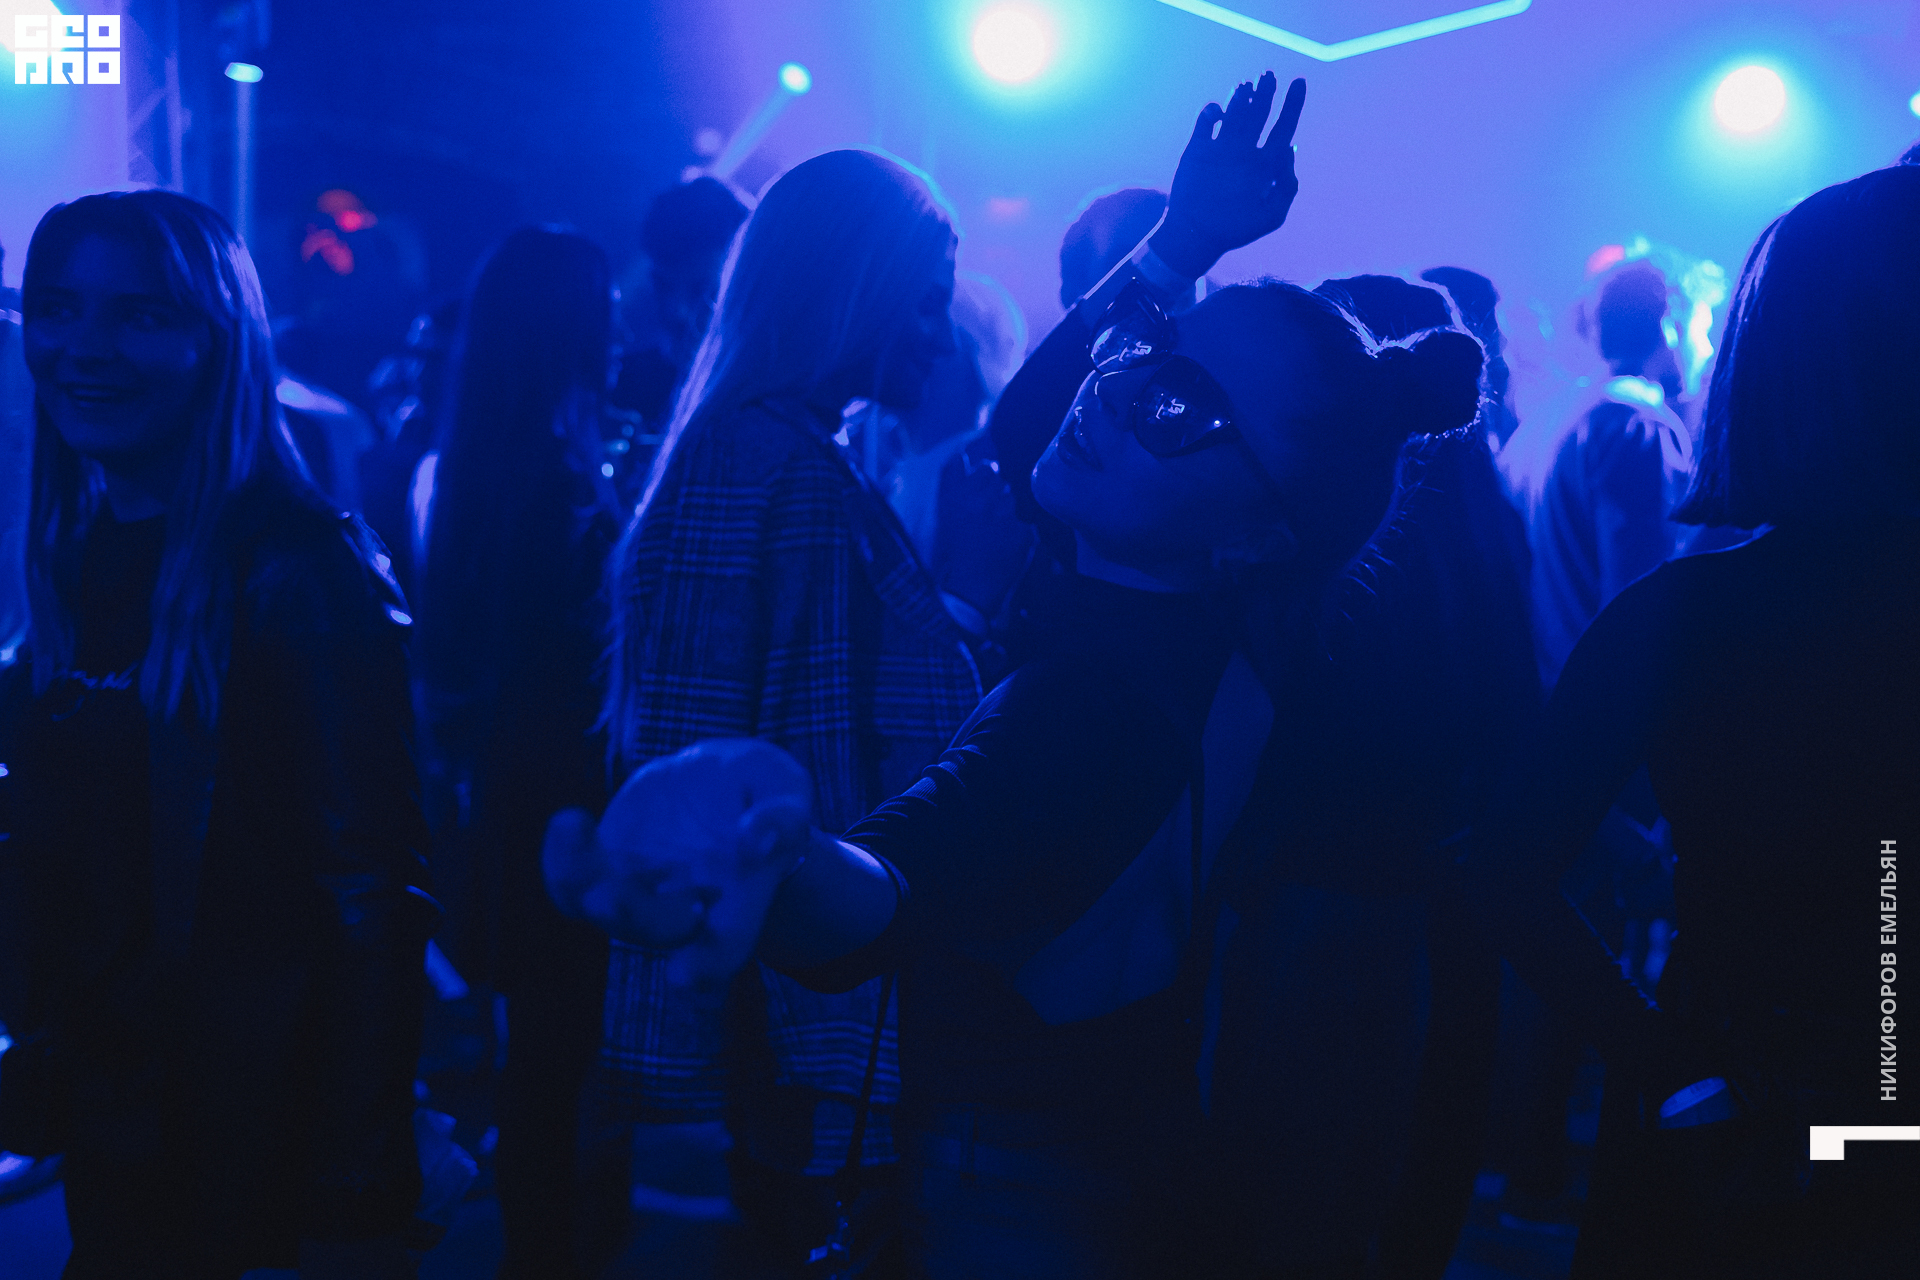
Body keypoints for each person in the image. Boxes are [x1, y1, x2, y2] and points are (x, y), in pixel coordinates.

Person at [555, 74, 1510, 1276]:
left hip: (1011, 1192)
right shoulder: (1213, 632)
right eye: (1144, 348)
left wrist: (778, 850)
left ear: (1257, 532)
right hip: (1111, 1148)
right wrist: (1178, 247)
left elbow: (897, 883)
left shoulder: (1095, 694)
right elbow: (1029, 435)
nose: (1120, 388)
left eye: (1179, 406)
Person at [1468, 164, 1920, 1278]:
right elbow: (1503, 870)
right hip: (1792, 1121)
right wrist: (1675, 1070)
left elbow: (1506, 869)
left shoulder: (1686, 610)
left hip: (1756, 1112)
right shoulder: (1690, 609)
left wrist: (1673, 1070)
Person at [0, 190, 432, 1277]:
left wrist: (358, 1188)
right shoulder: (71, 560)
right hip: (115, 1122)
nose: (84, 347)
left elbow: (370, 898)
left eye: (141, 314)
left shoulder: (299, 569)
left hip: (253, 1142)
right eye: (58, 308)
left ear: (218, 340)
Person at [595, 148, 983, 1275]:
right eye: (925, 300)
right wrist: (695, 1031)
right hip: (811, 1014)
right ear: (850, 287)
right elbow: (699, 763)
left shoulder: (791, 452)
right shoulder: (765, 461)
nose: (943, 334)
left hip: (819, 993)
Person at [411, 226, 625, 1278]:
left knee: (534, 1067)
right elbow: (569, 675)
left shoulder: (467, 472)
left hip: (500, 799)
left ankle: (536, 1254)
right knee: (560, 1066)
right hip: (566, 806)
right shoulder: (557, 488)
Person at [1528, 261, 1693, 688]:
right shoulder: (1637, 425)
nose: (1710, 347)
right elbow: (1637, 599)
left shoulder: (1557, 414)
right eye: (1705, 327)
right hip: (1606, 703)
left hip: (1556, 692)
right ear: (1671, 324)